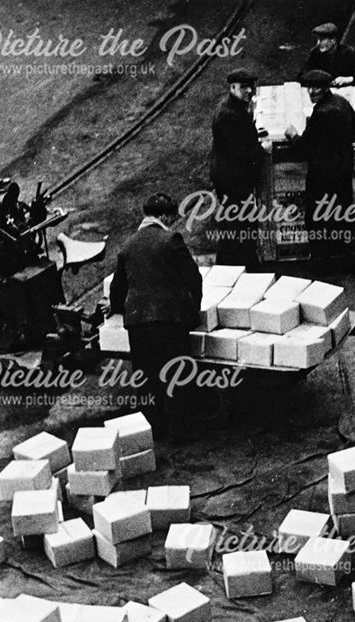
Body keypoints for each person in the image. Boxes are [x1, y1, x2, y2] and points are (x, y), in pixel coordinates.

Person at [108, 193, 202, 441]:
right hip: (169, 320)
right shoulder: (170, 239)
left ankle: (154, 432)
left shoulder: (127, 246)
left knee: (147, 379)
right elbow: (194, 278)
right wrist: (194, 312)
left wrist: (116, 309)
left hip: (138, 323)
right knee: (176, 377)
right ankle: (181, 433)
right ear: (164, 216)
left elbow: (118, 288)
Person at [284, 69, 355, 275]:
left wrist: (293, 135)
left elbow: (303, 148)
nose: (312, 91)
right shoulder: (341, 102)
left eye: (317, 87)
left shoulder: (321, 113)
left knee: (318, 219)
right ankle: (353, 263)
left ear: (326, 87)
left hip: (322, 176)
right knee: (343, 217)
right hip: (343, 173)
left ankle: (320, 264)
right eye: (309, 88)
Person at [210, 68, 267, 269]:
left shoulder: (233, 108)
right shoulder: (229, 114)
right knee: (237, 221)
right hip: (232, 177)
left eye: (250, 87)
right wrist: (262, 150)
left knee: (235, 219)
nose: (249, 91)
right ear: (232, 88)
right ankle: (239, 263)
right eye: (243, 87)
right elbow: (240, 152)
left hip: (227, 174)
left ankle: (234, 262)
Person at [297, 22, 355, 87]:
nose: (318, 43)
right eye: (317, 39)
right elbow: (301, 77)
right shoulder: (315, 53)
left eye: (321, 40)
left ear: (333, 40)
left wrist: (348, 79)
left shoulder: (349, 53)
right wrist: (321, 79)